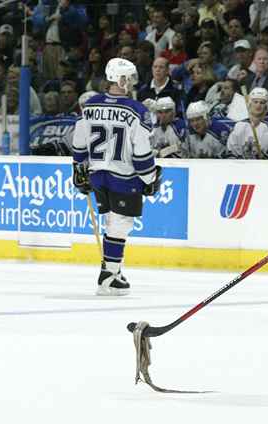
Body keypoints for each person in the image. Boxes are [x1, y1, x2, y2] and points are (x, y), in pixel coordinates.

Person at [72, 58, 161, 296]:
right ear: (121, 79)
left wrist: (78, 169)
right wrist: (149, 177)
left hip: (98, 175)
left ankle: (113, 269)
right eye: (130, 78)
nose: (132, 82)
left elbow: (79, 144)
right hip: (125, 176)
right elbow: (142, 152)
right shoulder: (137, 110)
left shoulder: (89, 104)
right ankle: (108, 276)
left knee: (113, 223)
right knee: (121, 225)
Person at [226, 87, 268, 158]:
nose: (258, 105)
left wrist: (264, 157)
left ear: (266, 106)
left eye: (262, 103)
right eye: (255, 102)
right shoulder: (240, 125)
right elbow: (231, 151)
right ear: (250, 103)